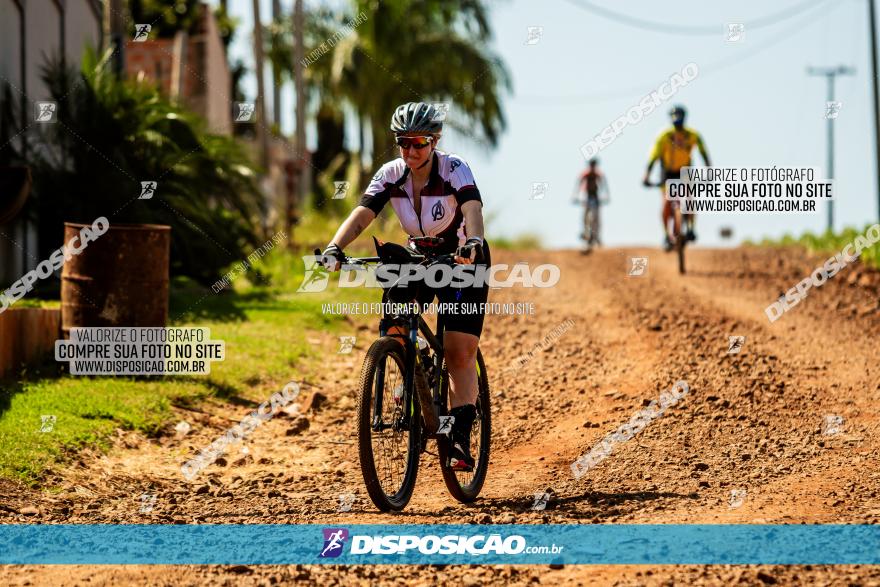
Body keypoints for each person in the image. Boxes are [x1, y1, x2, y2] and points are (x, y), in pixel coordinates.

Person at [321, 102, 489, 471]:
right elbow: (364, 213)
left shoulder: (454, 169)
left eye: (418, 143)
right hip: (419, 255)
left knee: (459, 350)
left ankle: (460, 437)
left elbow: (472, 209)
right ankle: (407, 368)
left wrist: (473, 242)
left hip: (463, 257)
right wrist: (336, 247)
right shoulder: (391, 173)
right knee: (394, 323)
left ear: (434, 141)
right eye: (403, 142)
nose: (410, 151)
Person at [643, 105, 711, 251]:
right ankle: (667, 235)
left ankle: (691, 228)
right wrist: (646, 175)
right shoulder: (664, 136)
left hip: (685, 172)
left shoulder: (693, 135)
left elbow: (704, 153)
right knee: (667, 201)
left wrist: (709, 171)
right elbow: (654, 157)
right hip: (667, 173)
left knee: (689, 198)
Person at [574, 157, 609, 249]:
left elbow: (604, 185)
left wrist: (606, 195)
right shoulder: (585, 173)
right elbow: (579, 183)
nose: (593, 167)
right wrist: (576, 196)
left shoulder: (598, 174)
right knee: (585, 218)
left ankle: (596, 237)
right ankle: (586, 235)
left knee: (596, 218)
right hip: (587, 197)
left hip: (595, 198)